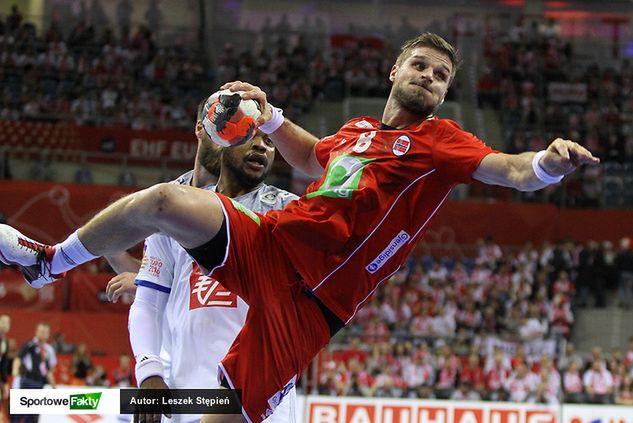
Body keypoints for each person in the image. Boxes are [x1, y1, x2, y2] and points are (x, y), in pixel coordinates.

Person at [0, 32, 599, 423]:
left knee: (221, 417)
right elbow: (315, 158)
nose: (428, 78)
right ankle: (47, 260)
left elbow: (514, 171)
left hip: (312, 303)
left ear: (444, 94)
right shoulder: (360, 131)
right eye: (420, 65)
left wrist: (547, 164)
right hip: (275, 241)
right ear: (395, 70)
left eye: (441, 76)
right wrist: (274, 113)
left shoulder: (439, 142)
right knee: (164, 199)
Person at [106, 101, 298, 423]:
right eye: (251, 135)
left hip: (262, 400)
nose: (262, 147)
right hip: (188, 397)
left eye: (269, 141)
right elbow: (150, 300)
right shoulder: (173, 205)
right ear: (225, 136)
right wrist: (150, 370)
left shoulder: (286, 210)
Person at [10, 322, 56, 423]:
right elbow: (18, 359)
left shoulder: (49, 350)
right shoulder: (29, 345)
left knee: (33, 415)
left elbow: (49, 369)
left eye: (45, 332)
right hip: (28, 382)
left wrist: (53, 385)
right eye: (41, 331)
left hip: (40, 383)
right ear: (36, 332)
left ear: (48, 334)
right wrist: (15, 372)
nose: (43, 334)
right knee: (19, 412)